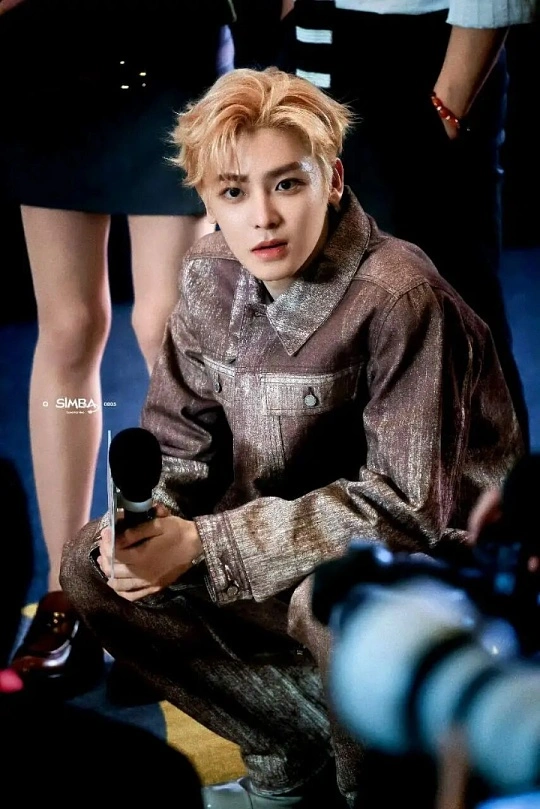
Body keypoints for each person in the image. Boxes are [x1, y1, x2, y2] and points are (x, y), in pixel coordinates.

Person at [59, 67, 524, 808]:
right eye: (233, 192)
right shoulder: (207, 274)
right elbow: (176, 444)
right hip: (267, 555)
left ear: (332, 180)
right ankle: (291, 760)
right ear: (206, 199)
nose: (262, 218)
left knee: (332, 601)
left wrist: (207, 545)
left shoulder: (401, 296)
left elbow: (408, 512)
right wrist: (148, 526)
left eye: (287, 183)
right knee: (90, 566)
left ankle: (379, 791)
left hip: (427, 581)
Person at [0, 0, 236, 687]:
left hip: (164, 46)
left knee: (163, 324)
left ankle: (165, 583)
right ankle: (66, 593)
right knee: (69, 325)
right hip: (48, 59)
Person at [288, 0, 537, 449]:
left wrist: (447, 107)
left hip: (413, 54)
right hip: (314, 43)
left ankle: (494, 490)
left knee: (446, 303)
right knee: (337, 313)